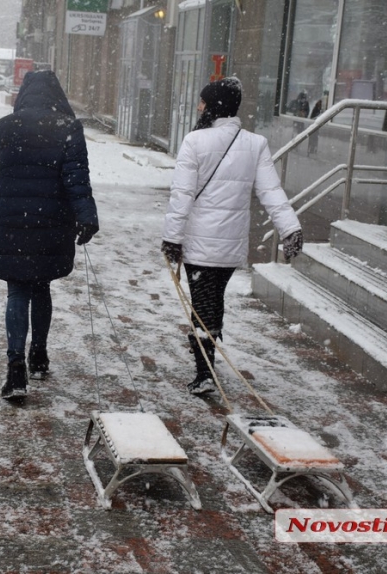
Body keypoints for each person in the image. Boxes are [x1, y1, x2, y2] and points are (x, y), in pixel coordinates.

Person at [161, 77, 303, 396]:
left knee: (202, 303)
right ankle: (208, 358)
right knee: (213, 300)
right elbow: (271, 191)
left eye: (202, 101)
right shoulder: (255, 144)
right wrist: (290, 227)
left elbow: (181, 195)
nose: (198, 106)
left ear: (212, 106)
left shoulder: (195, 142)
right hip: (231, 246)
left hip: (199, 243)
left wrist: (172, 238)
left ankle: (204, 370)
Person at [0, 70, 99, 400]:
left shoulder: (5, 126)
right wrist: (85, 218)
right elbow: (78, 180)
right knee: (41, 286)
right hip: (53, 224)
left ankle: (15, 369)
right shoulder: (68, 128)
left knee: (17, 290)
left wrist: (2, 210)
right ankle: (40, 354)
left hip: (13, 223)